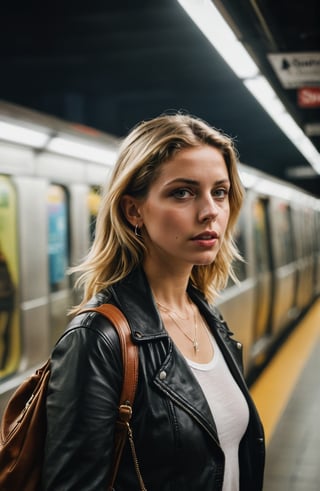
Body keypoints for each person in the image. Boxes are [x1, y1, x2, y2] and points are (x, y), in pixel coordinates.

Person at [42, 113, 265, 491]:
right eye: (183, 192)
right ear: (134, 211)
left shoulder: (207, 316)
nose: (210, 210)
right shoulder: (98, 339)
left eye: (220, 192)